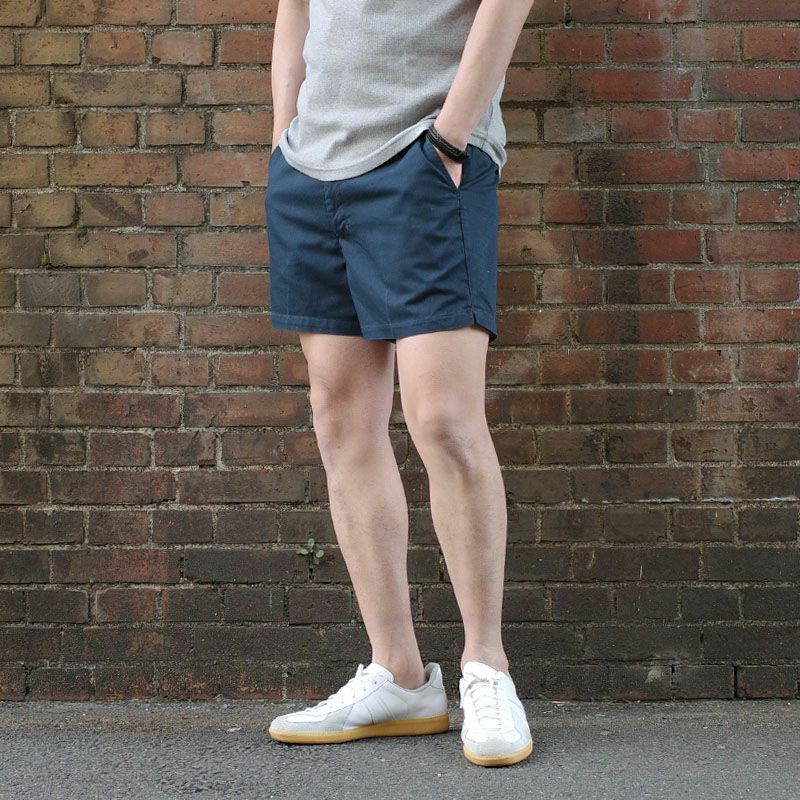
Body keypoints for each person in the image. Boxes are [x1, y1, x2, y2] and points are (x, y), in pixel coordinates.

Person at [265, 0, 536, 768]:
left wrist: (452, 135)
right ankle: (400, 677)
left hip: (426, 158)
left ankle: (487, 668)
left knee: (444, 419)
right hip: (310, 169)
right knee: (340, 419)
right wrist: (283, 135)